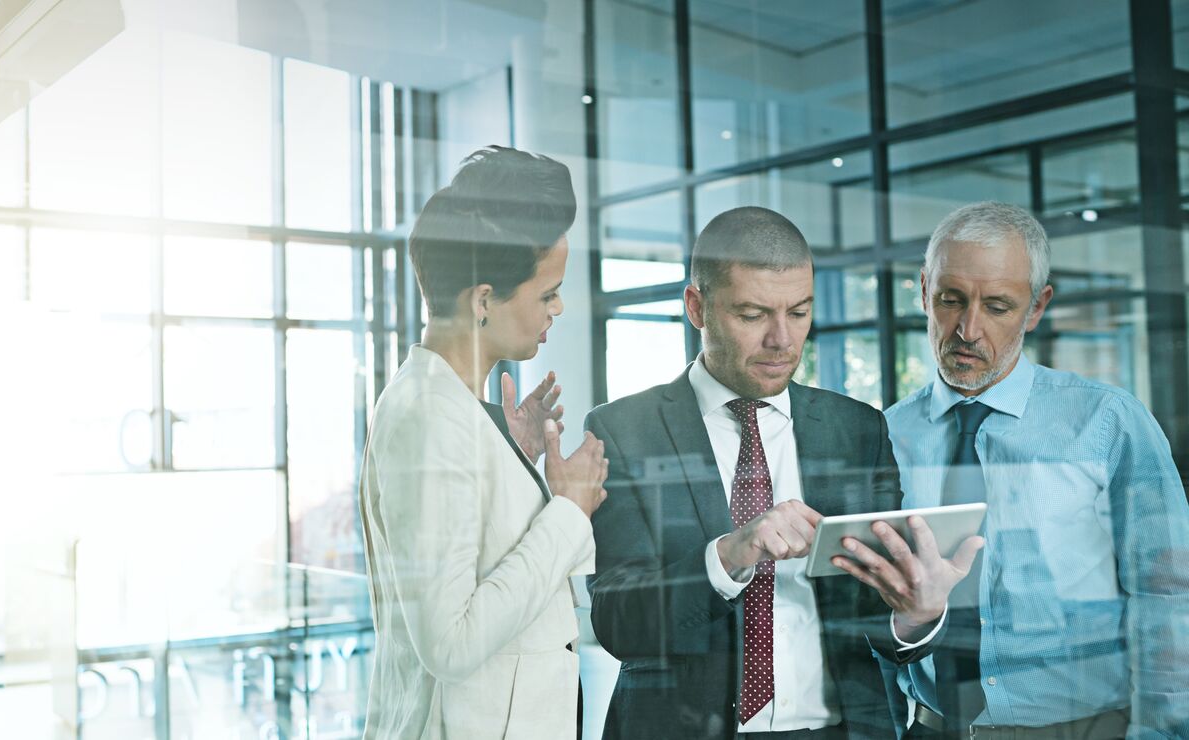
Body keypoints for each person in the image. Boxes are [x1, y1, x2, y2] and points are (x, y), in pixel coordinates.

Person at [585, 206, 978, 739]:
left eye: (799, 312)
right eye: (752, 315)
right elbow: (617, 623)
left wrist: (917, 612)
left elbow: (876, 617)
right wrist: (728, 556)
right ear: (696, 307)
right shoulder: (623, 430)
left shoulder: (857, 429)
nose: (782, 340)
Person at [868, 201, 1189, 738]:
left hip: (1081, 728)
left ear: (1036, 308)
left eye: (997, 306)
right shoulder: (884, 434)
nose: (967, 329)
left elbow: (1170, 594)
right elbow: (868, 600)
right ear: (924, 291)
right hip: (931, 726)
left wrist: (1162, 730)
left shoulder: (1106, 421)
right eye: (951, 300)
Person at [358, 146, 609, 739]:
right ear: (483, 299)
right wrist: (569, 509)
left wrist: (511, 463)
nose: (558, 307)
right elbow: (449, 643)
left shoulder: (446, 405)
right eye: (547, 292)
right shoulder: (432, 417)